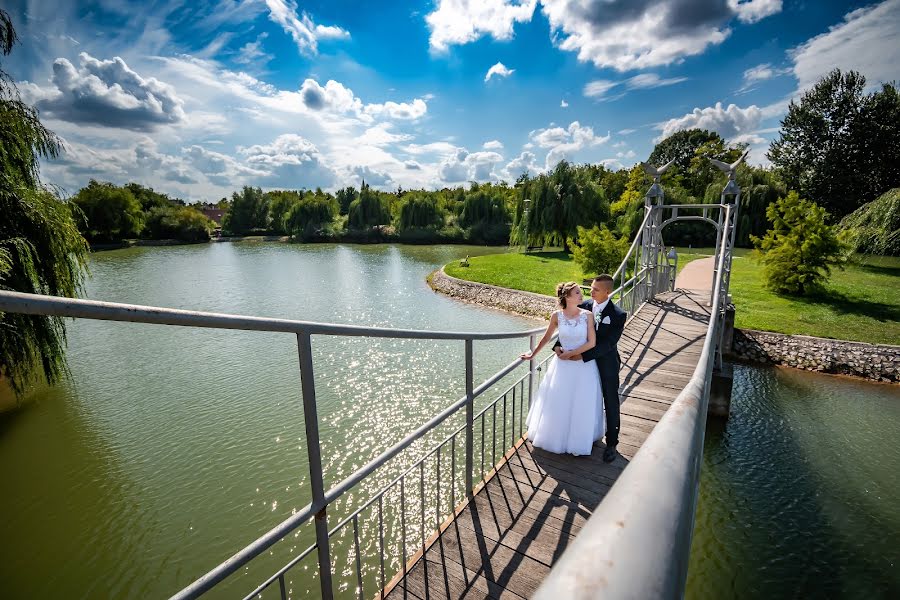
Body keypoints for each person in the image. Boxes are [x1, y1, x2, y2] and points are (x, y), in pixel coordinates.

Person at [521, 282, 604, 456]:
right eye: (577, 293)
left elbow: (592, 342)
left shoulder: (587, 315)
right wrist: (532, 354)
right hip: (561, 367)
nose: (582, 296)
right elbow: (546, 338)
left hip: (583, 367)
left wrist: (572, 354)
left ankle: (578, 439)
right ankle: (557, 438)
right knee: (560, 401)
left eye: (581, 293)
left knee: (581, 402)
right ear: (567, 297)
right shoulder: (556, 316)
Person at [554, 274, 627, 462]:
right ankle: (585, 434)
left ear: (608, 292)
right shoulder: (583, 306)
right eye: (591, 287)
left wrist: (582, 356)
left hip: (605, 363)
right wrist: (557, 345)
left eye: (596, 289)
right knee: (584, 399)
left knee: (610, 400)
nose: (591, 291)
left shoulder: (618, 315)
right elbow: (569, 325)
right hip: (583, 366)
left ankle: (612, 443)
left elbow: (608, 344)